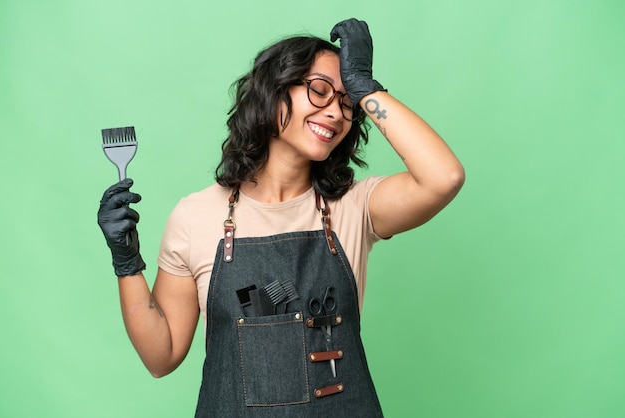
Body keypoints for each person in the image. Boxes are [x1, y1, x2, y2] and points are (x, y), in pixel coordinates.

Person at [97, 18, 464, 417]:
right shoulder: (196, 216)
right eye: (320, 90)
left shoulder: (355, 207)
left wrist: (367, 89)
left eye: (346, 103)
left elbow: (444, 178)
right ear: (273, 93)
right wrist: (126, 263)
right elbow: (160, 356)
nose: (336, 113)